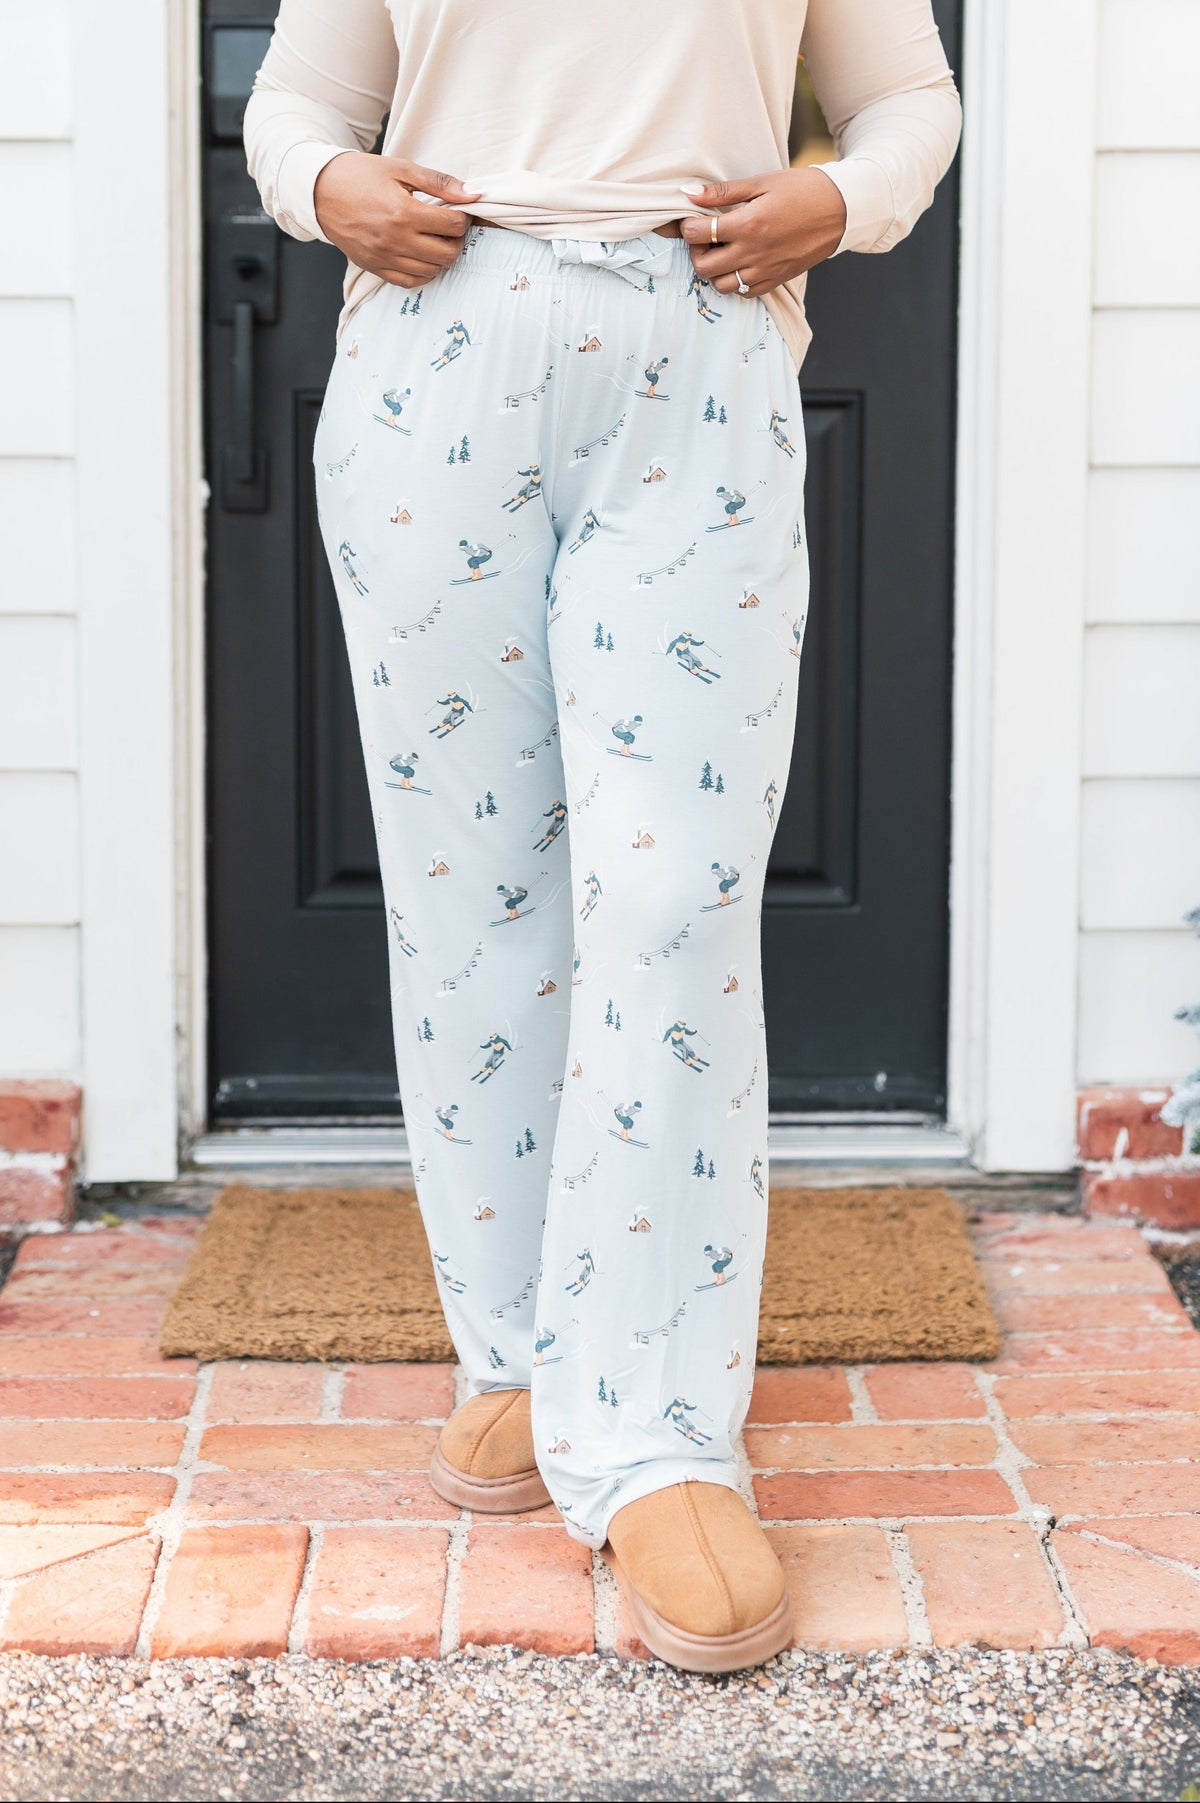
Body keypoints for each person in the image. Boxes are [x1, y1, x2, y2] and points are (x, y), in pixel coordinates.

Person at [245, 0, 960, 1675]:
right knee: (473, 901)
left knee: (673, 899)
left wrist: (841, 203)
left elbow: (910, 102)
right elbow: (295, 107)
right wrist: (329, 191)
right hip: (440, 361)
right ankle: (518, 1355)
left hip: (694, 361)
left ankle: (658, 1438)